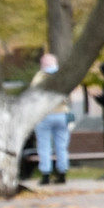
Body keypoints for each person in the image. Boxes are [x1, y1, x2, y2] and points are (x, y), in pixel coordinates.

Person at [32, 54, 73, 185]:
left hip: (45, 115)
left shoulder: (40, 77)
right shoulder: (64, 76)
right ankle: (62, 173)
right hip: (62, 113)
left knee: (44, 145)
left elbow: (34, 94)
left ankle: (45, 174)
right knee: (61, 145)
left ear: (43, 64)